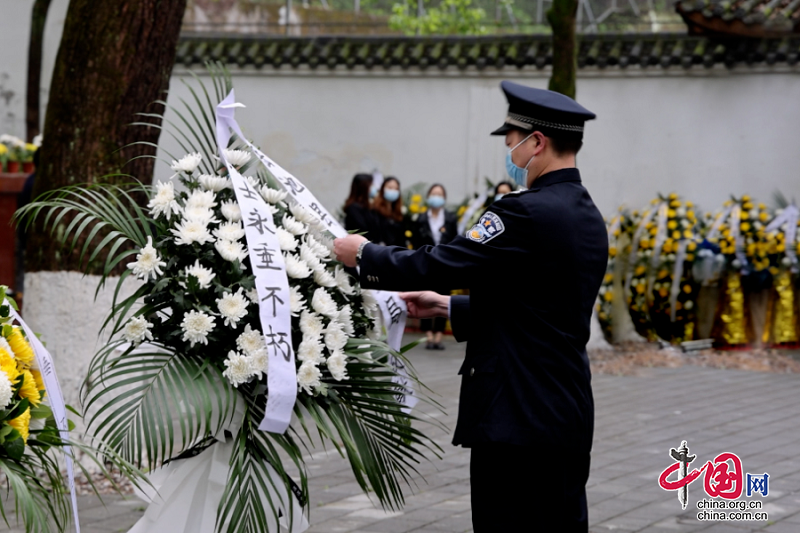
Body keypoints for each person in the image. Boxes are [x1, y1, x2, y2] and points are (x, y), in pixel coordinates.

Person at [334, 80, 607, 532]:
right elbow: (541, 311)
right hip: (566, 414)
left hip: (518, 418)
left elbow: (441, 261)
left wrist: (364, 255)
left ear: (536, 142)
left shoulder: (523, 212)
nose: (508, 147)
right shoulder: (588, 216)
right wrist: (448, 307)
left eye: (511, 137)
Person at [412, 183, 458, 350]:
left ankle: (438, 335)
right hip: (426, 263)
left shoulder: (450, 218)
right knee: (424, 296)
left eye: (439, 194)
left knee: (443, 297)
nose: (436, 197)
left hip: (444, 264)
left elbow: (454, 240)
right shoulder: (421, 218)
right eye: (433, 194)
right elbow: (416, 242)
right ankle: (428, 335)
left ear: (444, 198)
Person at [371, 176, 405, 247]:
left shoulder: (398, 212)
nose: (393, 191)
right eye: (390, 188)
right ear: (383, 189)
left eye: (396, 189)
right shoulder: (374, 210)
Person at [343, 173, 377, 241]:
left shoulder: (368, 206)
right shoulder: (353, 208)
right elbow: (363, 230)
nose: (374, 187)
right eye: (371, 185)